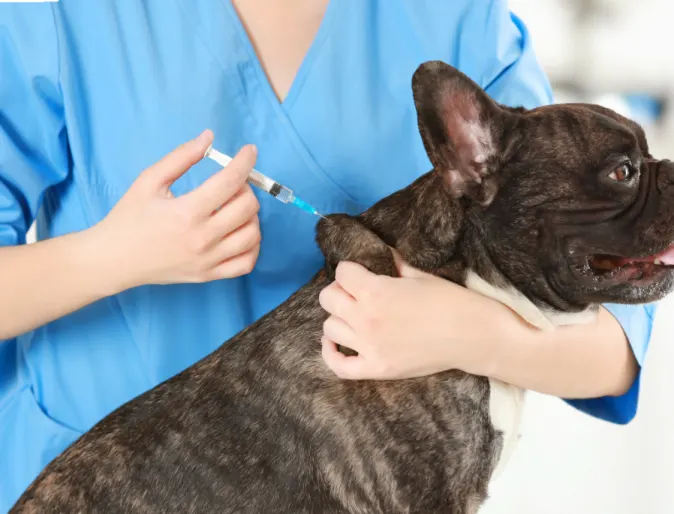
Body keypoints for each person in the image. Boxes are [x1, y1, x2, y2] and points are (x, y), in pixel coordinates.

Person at [0, 0, 655, 510]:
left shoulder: (458, 20)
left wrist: (474, 334)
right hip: (93, 484)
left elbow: (615, 337)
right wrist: (107, 257)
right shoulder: (64, 15)